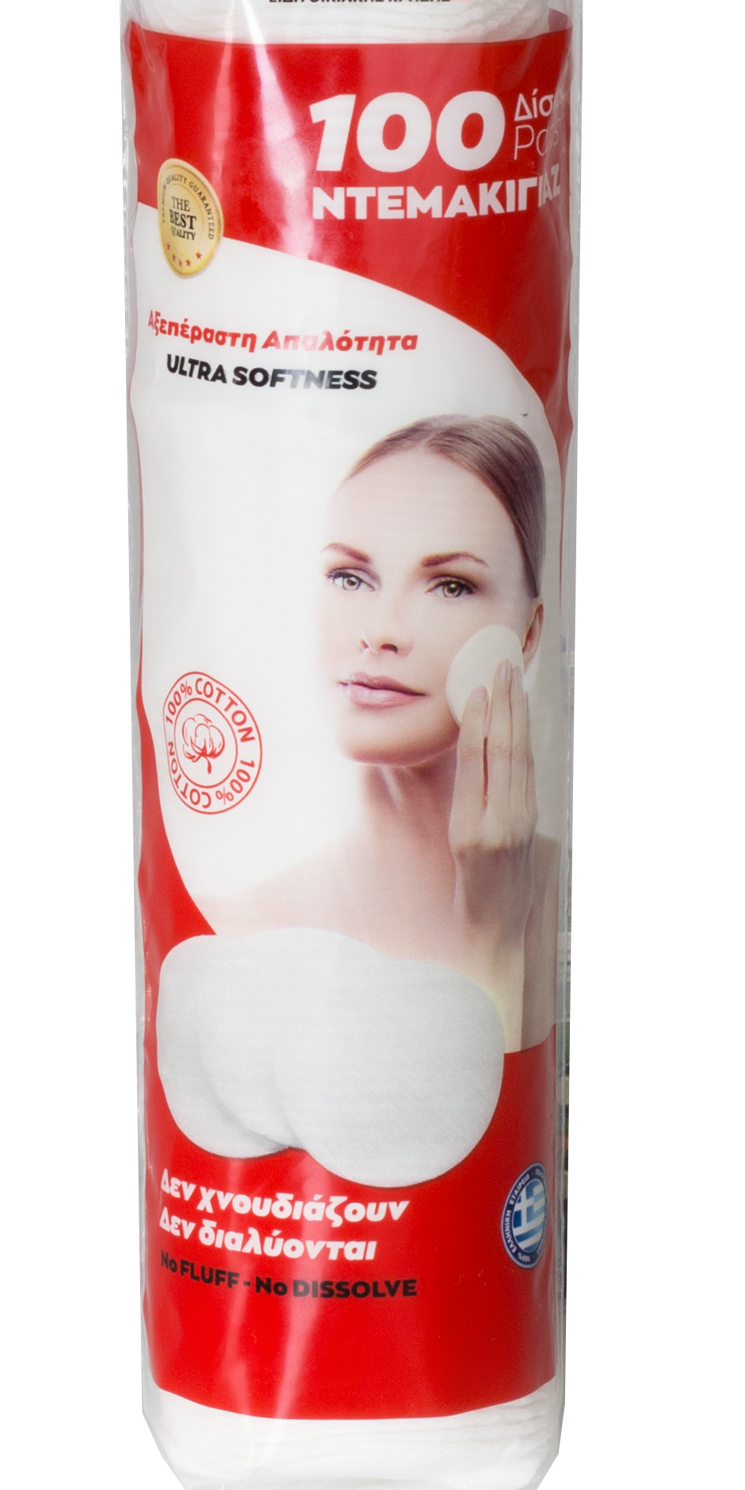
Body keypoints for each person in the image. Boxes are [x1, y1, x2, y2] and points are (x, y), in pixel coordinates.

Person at [205, 415, 557, 1051]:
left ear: (529, 634)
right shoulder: (231, 931)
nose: (381, 630)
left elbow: (500, 1110)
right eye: (349, 577)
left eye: (451, 585)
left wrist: (495, 937)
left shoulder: (568, 894)